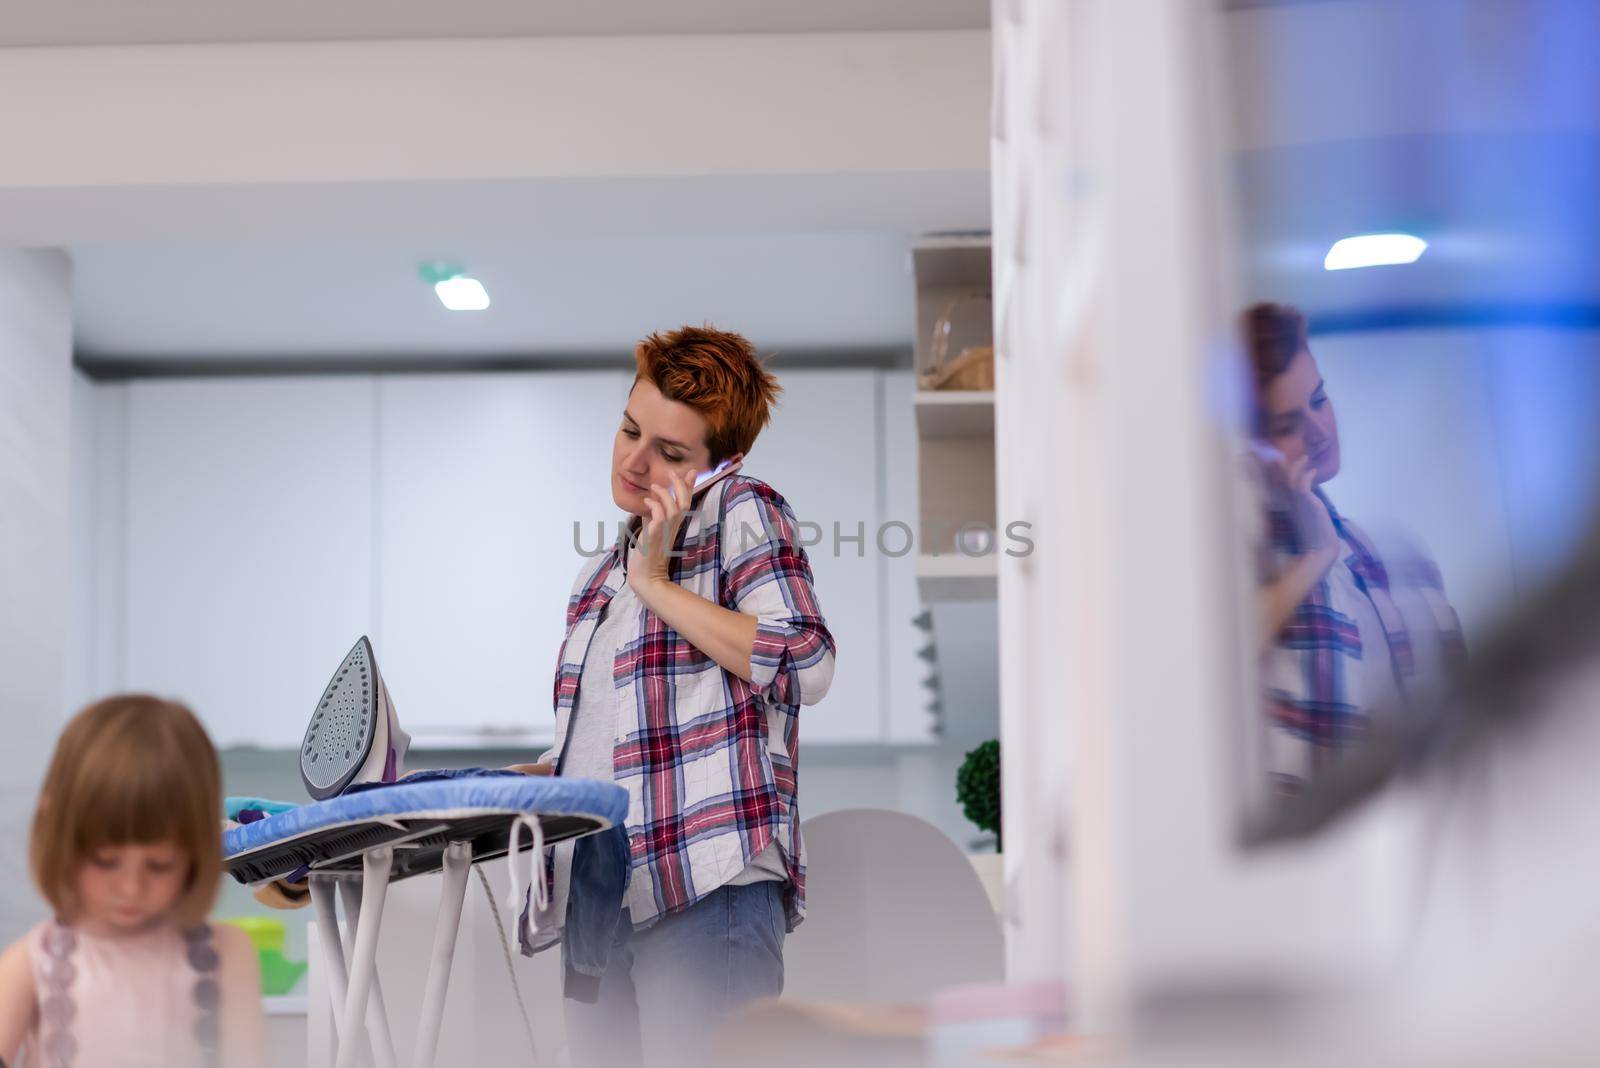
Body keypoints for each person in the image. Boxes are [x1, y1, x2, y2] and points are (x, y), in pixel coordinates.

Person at [531, 325, 836, 1068]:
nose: (636, 461)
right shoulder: (600, 577)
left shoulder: (742, 510)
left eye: (670, 453)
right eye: (630, 430)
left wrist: (658, 585)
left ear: (718, 462)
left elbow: (807, 659)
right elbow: (608, 739)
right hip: (600, 900)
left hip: (704, 881)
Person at [1245, 303, 1464, 796]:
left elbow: (1463, 717)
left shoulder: (1400, 558)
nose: (1319, 432)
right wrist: (1314, 559)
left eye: (1319, 399)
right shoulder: (1245, 573)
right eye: (1287, 424)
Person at [0, 695, 265, 1068]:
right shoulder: (29, 964)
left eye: (159, 865)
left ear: (195, 853)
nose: (131, 888)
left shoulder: (227, 955)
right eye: (105, 862)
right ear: (59, 836)